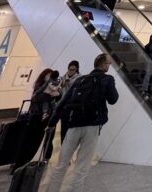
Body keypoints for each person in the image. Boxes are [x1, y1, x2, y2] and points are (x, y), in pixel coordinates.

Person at [46, 53, 119, 192]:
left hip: (74, 125)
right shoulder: (107, 79)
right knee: (81, 168)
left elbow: (63, 102)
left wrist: (51, 123)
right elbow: (113, 99)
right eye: (108, 63)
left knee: (61, 165)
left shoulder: (81, 80)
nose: (109, 65)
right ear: (103, 65)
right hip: (92, 126)